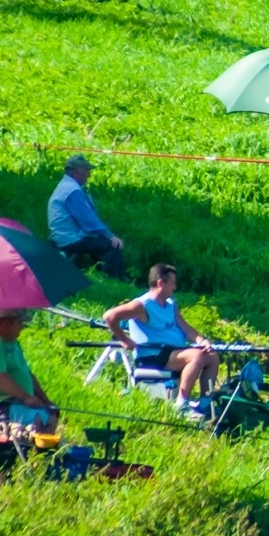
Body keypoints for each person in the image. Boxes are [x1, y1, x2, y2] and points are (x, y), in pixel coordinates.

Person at [103, 264, 220, 408]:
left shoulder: (170, 304)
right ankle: (181, 403)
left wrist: (203, 341)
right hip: (152, 354)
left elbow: (186, 328)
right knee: (197, 356)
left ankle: (205, 403)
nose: (175, 287)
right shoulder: (142, 305)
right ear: (160, 283)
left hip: (171, 352)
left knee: (212, 356)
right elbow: (109, 316)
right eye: (172, 283)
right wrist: (125, 340)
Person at [0, 309, 58, 432]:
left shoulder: (12, 343)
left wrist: (46, 401)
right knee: (38, 419)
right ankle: (31, 447)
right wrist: (26, 397)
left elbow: (26, 373)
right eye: (20, 324)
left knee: (51, 414)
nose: (22, 329)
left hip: (12, 401)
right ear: (6, 323)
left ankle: (42, 448)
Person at [47, 154, 126, 279]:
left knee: (98, 242)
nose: (89, 175)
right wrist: (110, 236)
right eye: (87, 171)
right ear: (78, 172)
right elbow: (89, 223)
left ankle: (98, 274)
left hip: (62, 237)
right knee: (112, 247)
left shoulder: (65, 186)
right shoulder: (72, 191)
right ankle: (113, 279)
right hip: (70, 240)